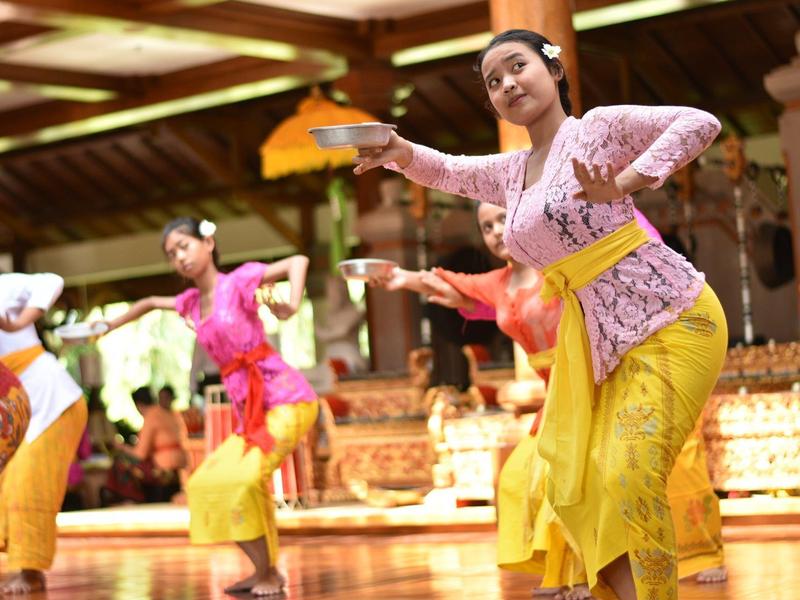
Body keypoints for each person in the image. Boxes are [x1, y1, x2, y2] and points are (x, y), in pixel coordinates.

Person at [354, 29, 727, 600]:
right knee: (589, 483)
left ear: (553, 70)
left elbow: (700, 123)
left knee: (627, 471)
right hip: (607, 344)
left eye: (516, 66)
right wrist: (401, 154)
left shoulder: (596, 130)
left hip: (673, 318)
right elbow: (451, 171)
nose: (506, 84)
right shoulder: (513, 174)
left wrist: (626, 182)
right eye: (493, 81)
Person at [374, 203, 726, 598]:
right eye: (486, 226)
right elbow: (449, 285)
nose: (494, 231)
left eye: (502, 219)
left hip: (590, 377)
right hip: (554, 391)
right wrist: (398, 277)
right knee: (528, 477)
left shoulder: (562, 265)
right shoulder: (498, 283)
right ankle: (575, 575)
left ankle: (604, 575)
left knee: (605, 473)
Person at [104, 217, 318, 597]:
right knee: (204, 483)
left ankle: (269, 572)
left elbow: (297, 261)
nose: (179, 257)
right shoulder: (190, 303)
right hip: (250, 415)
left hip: (287, 398)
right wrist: (107, 325)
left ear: (208, 242)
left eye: (184, 246)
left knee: (244, 479)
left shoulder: (237, 283)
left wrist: (292, 305)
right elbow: (151, 302)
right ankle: (262, 571)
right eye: (172, 254)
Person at [0, 272, 87, 595]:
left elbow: (51, 280)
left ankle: (31, 571)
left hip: (52, 403)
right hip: (15, 413)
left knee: (27, 481)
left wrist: (15, 322)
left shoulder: (3, 288)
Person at [102, 386, 186, 504]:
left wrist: (121, 447)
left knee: (121, 462)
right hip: (182, 462)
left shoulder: (151, 415)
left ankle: (130, 499)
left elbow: (140, 454)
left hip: (165, 467)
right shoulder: (167, 412)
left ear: (138, 405)